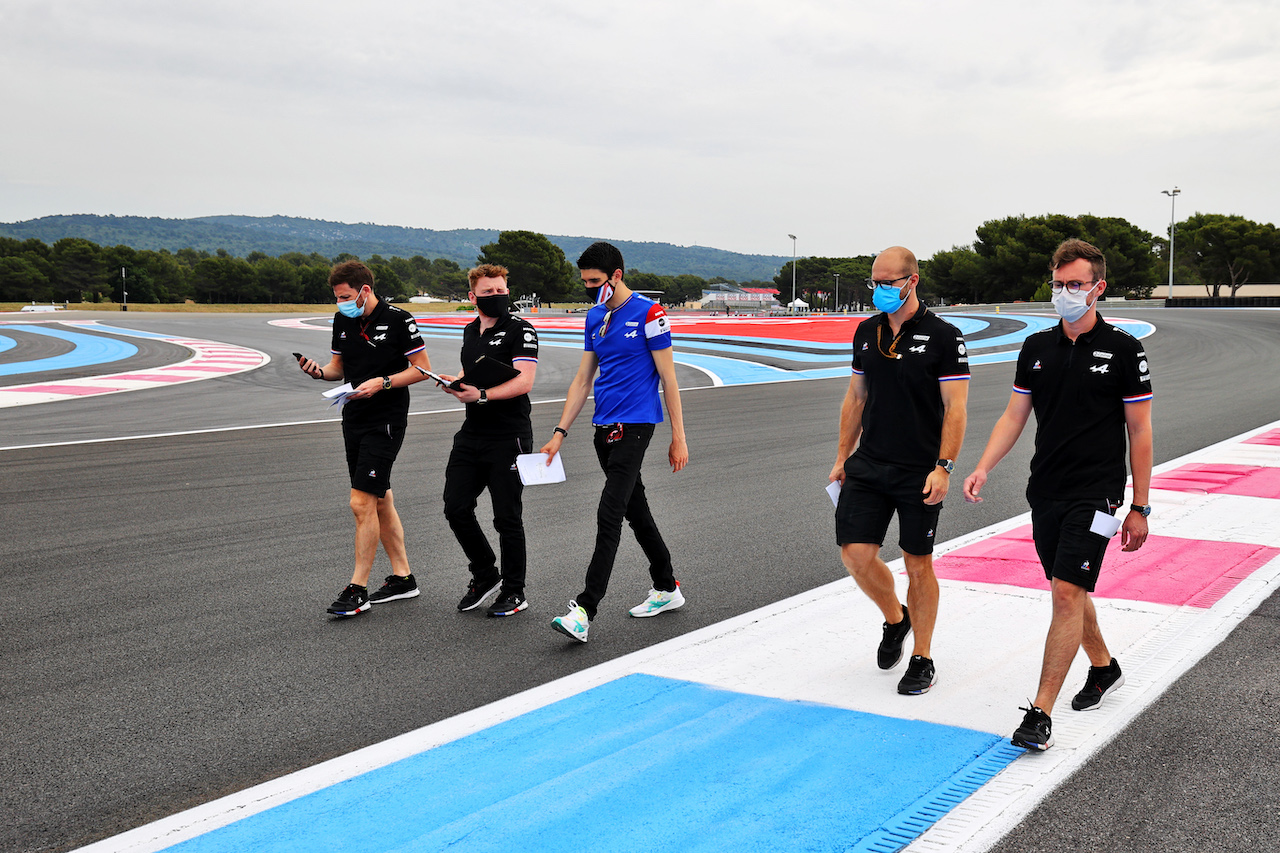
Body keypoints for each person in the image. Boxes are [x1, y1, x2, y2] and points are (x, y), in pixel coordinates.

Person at [962, 238, 1153, 751]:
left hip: (1099, 494)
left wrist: (1139, 505)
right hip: (1044, 488)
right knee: (1068, 587)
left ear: (1098, 288)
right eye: (1059, 284)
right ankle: (1104, 666)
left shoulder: (1124, 350)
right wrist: (982, 466)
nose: (1066, 292)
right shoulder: (1037, 347)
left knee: (1067, 592)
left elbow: (1140, 431)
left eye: (1076, 284)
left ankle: (1039, 713)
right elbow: (1014, 415)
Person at [829, 246, 969, 695]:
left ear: (913, 280)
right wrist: (841, 458)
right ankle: (895, 618)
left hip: (920, 469)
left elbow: (956, 408)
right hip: (869, 462)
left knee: (918, 563)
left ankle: (922, 656)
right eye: (876, 282)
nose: (881, 290)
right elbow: (856, 397)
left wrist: (944, 466)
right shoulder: (866, 331)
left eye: (890, 282)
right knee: (854, 553)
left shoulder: (945, 336)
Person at [540, 241, 689, 643]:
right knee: (635, 511)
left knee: (609, 513)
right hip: (602, 428)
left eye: (594, 281)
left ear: (616, 275)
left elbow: (669, 378)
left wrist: (679, 436)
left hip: (636, 425)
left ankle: (584, 610)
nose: (588, 287)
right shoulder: (594, 316)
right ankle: (667, 587)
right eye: (584, 281)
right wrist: (559, 433)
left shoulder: (650, 313)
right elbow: (583, 379)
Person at [295, 260, 432, 617]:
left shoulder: (400, 319)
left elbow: (421, 369)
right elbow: (337, 369)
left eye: (345, 296)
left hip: (386, 419)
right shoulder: (342, 320)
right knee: (380, 498)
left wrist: (383, 383)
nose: (341, 303)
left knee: (361, 502)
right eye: (337, 297)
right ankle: (403, 578)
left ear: (364, 290)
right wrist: (318, 372)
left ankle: (358, 589)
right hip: (352, 415)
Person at [438, 264, 539, 617]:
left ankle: (515, 590)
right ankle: (485, 573)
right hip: (472, 433)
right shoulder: (470, 330)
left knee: (506, 517)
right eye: (489, 292)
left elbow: (524, 382)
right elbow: (475, 374)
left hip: (508, 434)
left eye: (501, 291)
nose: (498, 297)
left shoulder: (521, 330)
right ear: (472, 297)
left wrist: (480, 395)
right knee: (455, 507)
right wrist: (458, 381)